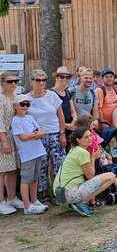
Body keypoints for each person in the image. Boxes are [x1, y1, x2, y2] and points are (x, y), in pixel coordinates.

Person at [53, 127, 116, 217]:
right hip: (68, 193)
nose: (90, 139)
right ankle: (82, 202)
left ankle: (76, 202)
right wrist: (93, 158)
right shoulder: (82, 152)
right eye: (86, 137)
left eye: (90, 136)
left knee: (103, 178)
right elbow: (90, 176)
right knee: (111, 176)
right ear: (78, 140)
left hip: (60, 193)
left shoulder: (74, 149)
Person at [27, 69, 67, 203]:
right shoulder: (26, 99)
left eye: (43, 80)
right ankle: (44, 192)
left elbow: (60, 116)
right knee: (42, 164)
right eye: (38, 80)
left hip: (55, 134)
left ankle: (59, 190)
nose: (41, 83)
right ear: (31, 81)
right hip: (37, 136)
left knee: (60, 162)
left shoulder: (52, 95)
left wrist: (62, 134)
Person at [12, 94, 48, 214]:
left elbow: (41, 131)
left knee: (35, 178)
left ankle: (34, 200)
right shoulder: (15, 120)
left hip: (37, 151)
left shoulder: (30, 118)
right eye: (22, 104)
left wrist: (36, 134)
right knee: (26, 179)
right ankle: (27, 206)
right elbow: (23, 137)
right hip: (27, 155)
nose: (25, 106)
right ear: (15, 106)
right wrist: (35, 135)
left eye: (27, 104)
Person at [0, 72, 23, 215]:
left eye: (15, 81)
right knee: (1, 171)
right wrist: (4, 141)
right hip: (4, 136)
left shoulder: (17, 98)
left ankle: (12, 197)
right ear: (2, 83)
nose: (13, 84)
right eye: (9, 82)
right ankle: (1, 201)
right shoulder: (1, 99)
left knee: (13, 168)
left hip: (16, 136)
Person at [51, 66, 78, 146]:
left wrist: (74, 121)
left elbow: (72, 111)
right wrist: (65, 125)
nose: (65, 79)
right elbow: (51, 115)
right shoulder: (51, 93)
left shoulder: (68, 92)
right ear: (56, 78)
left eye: (67, 77)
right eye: (62, 77)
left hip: (70, 128)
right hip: (58, 129)